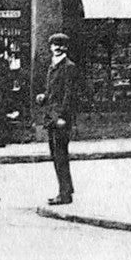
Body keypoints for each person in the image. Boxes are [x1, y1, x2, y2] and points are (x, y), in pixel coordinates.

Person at [37, 33, 78, 205]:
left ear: (66, 48)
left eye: (61, 45)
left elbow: (69, 95)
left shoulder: (69, 67)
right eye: (54, 44)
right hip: (51, 117)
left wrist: (62, 117)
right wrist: (43, 97)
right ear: (50, 47)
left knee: (60, 156)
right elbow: (53, 92)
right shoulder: (52, 66)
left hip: (60, 119)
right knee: (56, 155)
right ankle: (65, 189)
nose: (57, 47)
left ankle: (65, 193)